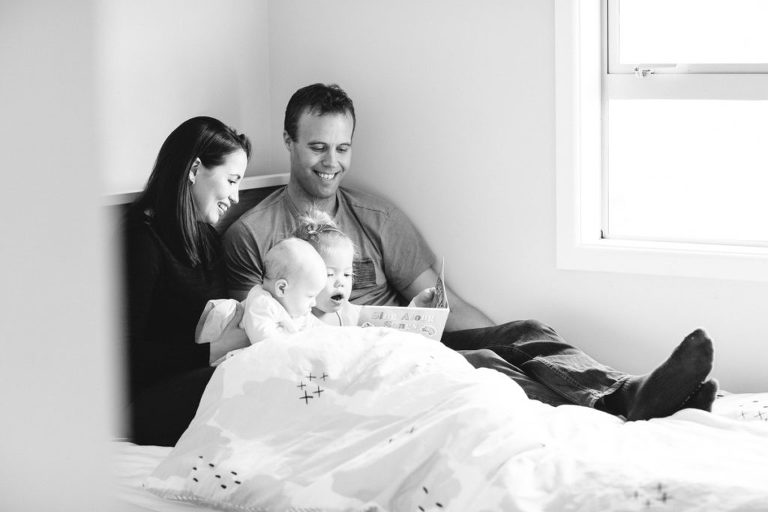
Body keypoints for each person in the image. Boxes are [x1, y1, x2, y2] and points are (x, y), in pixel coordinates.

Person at [222, 83, 719, 421]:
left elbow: (447, 303)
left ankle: (627, 390)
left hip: (412, 338)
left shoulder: (376, 217)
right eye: (317, 148)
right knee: (481, 360)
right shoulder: (253, 234)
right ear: (288, 141)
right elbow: (261, 341)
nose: (332, 163)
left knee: (526, 332)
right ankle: (612, 412)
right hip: (352, 361)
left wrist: (508, 340)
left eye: (343, 148)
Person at [122, 116, 253, 445]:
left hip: (198, 376)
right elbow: (125, 356)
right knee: (252, 384)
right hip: (144, 400)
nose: (237, 197)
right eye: (232, 180)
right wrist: (214, 350)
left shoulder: (206, 238)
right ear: (194, 169)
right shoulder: (139, 240)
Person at [292, 209, 436, 328]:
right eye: (330, 274)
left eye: (347, 274)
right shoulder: (298, 319)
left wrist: (416, 308)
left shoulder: (351, 313)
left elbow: (392, 329)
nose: (340, 282)